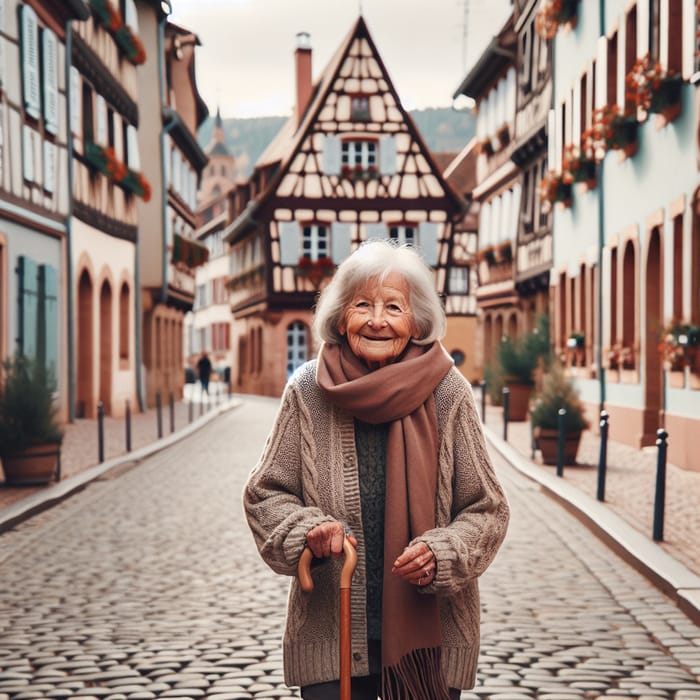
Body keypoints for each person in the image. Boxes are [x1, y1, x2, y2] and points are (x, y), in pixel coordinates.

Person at [244, 240, 510, 700]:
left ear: (417, 319)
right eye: (362, 304)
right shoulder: (308, 391)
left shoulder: (449, 392)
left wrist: (442, 552)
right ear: (340, 316)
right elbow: (265, 493)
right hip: (332, 632)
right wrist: (308, 529)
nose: (377, 320)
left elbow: (487, 509)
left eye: (393, 306)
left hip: (429, 644)